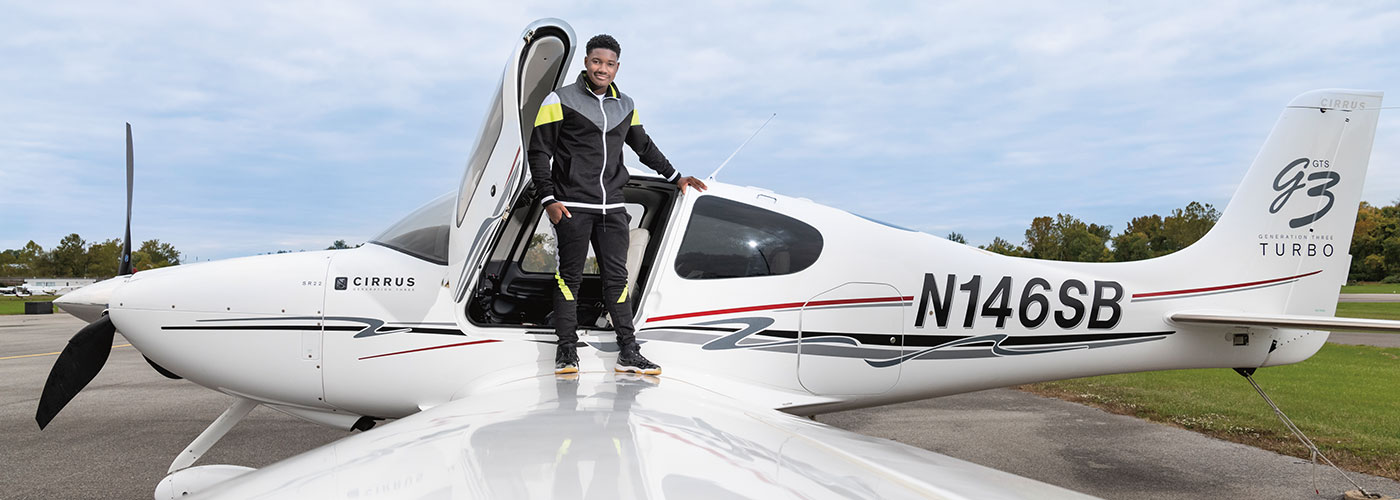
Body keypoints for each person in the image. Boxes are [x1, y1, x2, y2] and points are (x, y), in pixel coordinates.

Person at [528, 34, 707, 376]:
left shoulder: (626, 104)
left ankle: (629, 350)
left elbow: (643, 145)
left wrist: (676, 177)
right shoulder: (559, 99)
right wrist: (548, 199)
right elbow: (540, 152)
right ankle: (566, 352)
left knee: (617, 280)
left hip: (612, 208)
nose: (602, 69)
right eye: (597, 61)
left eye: (609, 64)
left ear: (617, 67)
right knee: (570, 279)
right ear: (586, 62)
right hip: (571, 205)